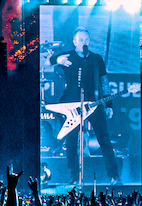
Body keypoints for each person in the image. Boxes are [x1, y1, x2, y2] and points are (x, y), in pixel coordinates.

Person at [50, 27, 120, 184]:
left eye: (86, 39)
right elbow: (47, 62)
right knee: (71, 142)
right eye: (81, 39)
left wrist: (108, 104)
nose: (84, 42)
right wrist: (57, 61)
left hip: (94, 103)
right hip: (72, 105)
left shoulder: (96, 59)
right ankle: (74, 178)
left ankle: (114, 176)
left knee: (104, 139)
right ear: (74, 41)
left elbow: (104, 82)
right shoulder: (67, 56)